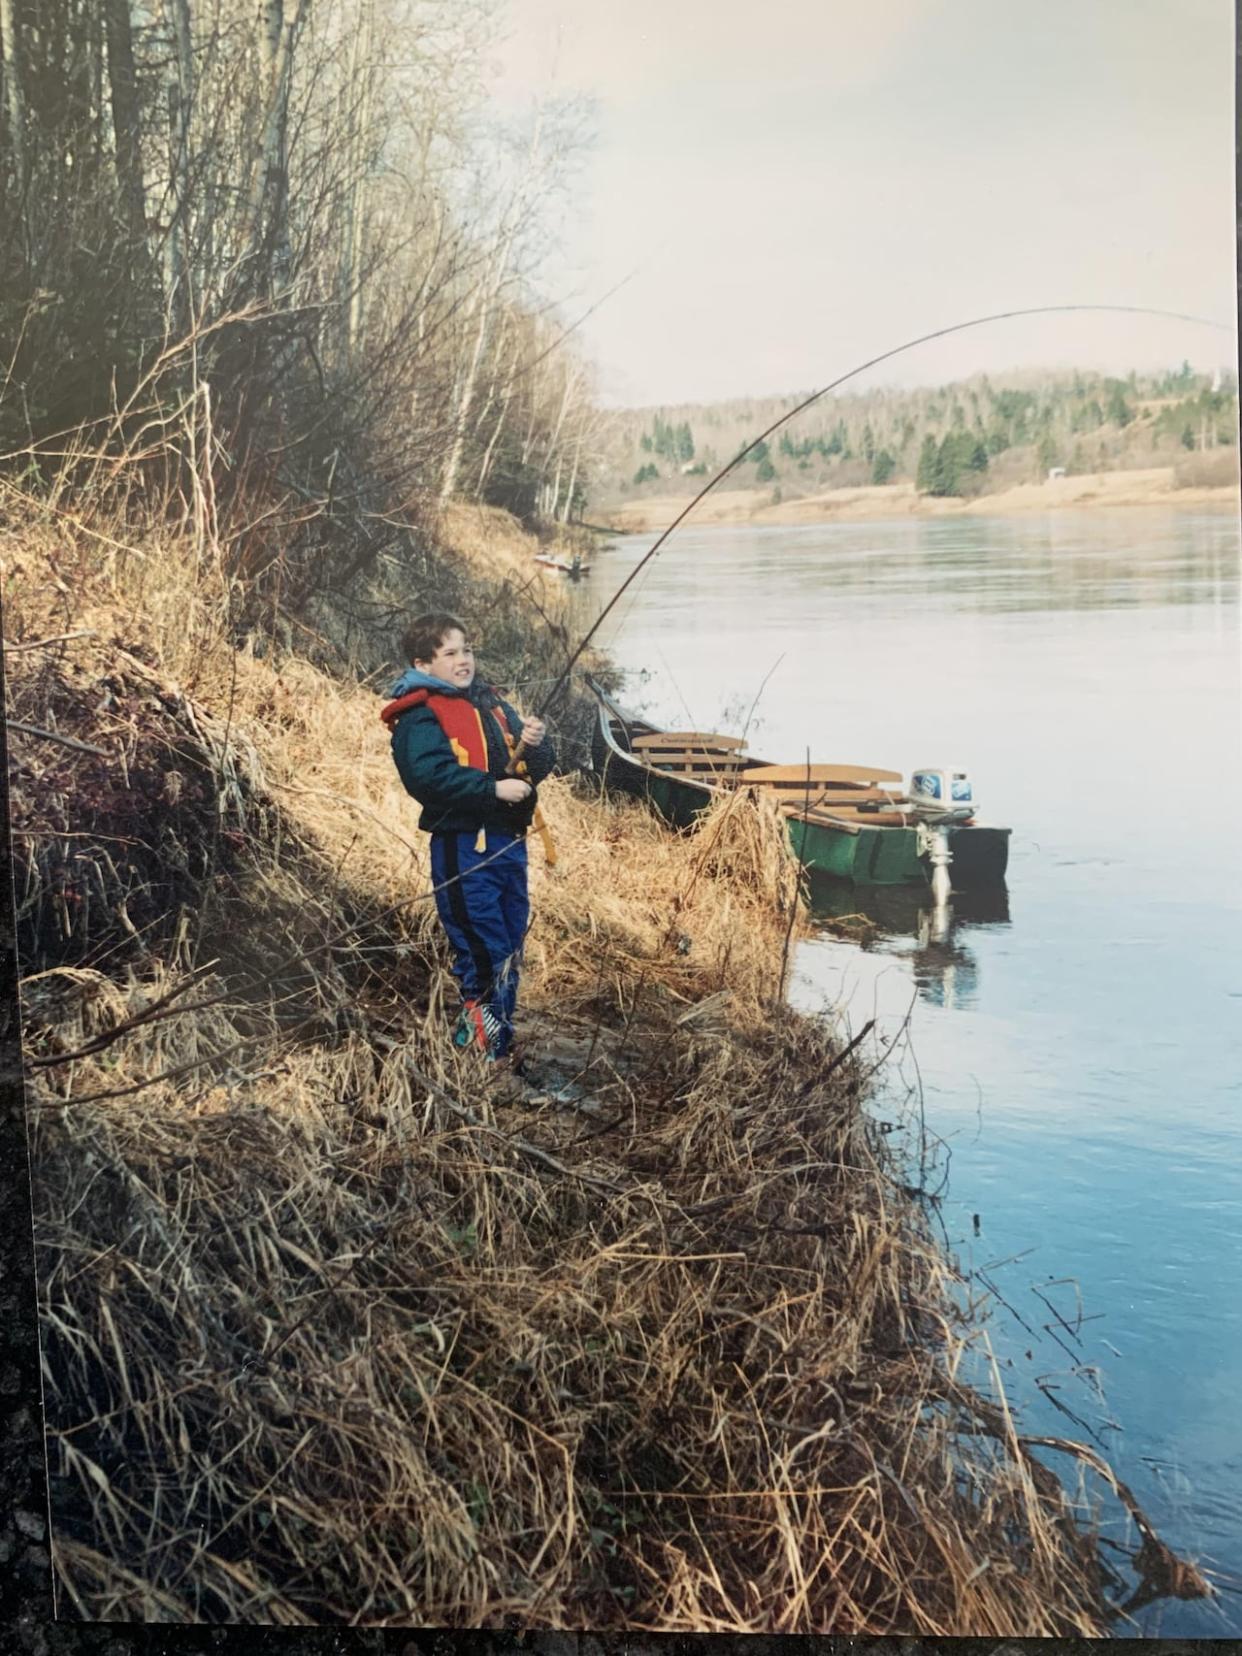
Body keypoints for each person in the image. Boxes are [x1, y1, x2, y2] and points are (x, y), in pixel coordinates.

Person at [380, 612, 554, 1065]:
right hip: (462, 847)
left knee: (510, 944)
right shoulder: (419, 716)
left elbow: (534, 770)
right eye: (450, 654)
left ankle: (489, 1043)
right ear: (424, 663)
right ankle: (484, 1052)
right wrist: (491, 789)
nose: (463, 661)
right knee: (484, 948)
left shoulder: (491, 704)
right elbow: (427, 777)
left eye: (468, 651)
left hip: (509, 844)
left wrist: (536, 744)